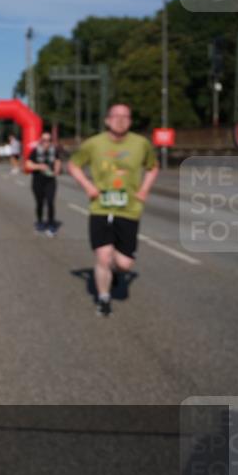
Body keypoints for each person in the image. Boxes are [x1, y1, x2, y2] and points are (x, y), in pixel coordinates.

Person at [67, 104, 159, 318]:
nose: (120, 120)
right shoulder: (94, 143)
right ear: (107, 120)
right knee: (103, 255)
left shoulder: (140, 143)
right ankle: (104, 298)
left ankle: (116, 274)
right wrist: (88, 186)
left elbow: (153, 167)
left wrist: (144, 189)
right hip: (101, 208)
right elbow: (73, 165)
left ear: (131, 121)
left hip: (129, 210)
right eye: (116, 116)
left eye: (125, 116)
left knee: (125, 264)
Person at [26, 130, 62, 236]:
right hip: (38, 180)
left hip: (50, 181)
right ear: (41, 141)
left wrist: (57, 169)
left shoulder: (54, 150)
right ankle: (40, 222)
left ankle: (51, 224)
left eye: (49, 140)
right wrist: (39, 166)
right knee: (40, 203)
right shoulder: (35, 151)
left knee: (50, 202)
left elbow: (57, 161)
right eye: (44, 140)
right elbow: (28, 164)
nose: (46, 142)